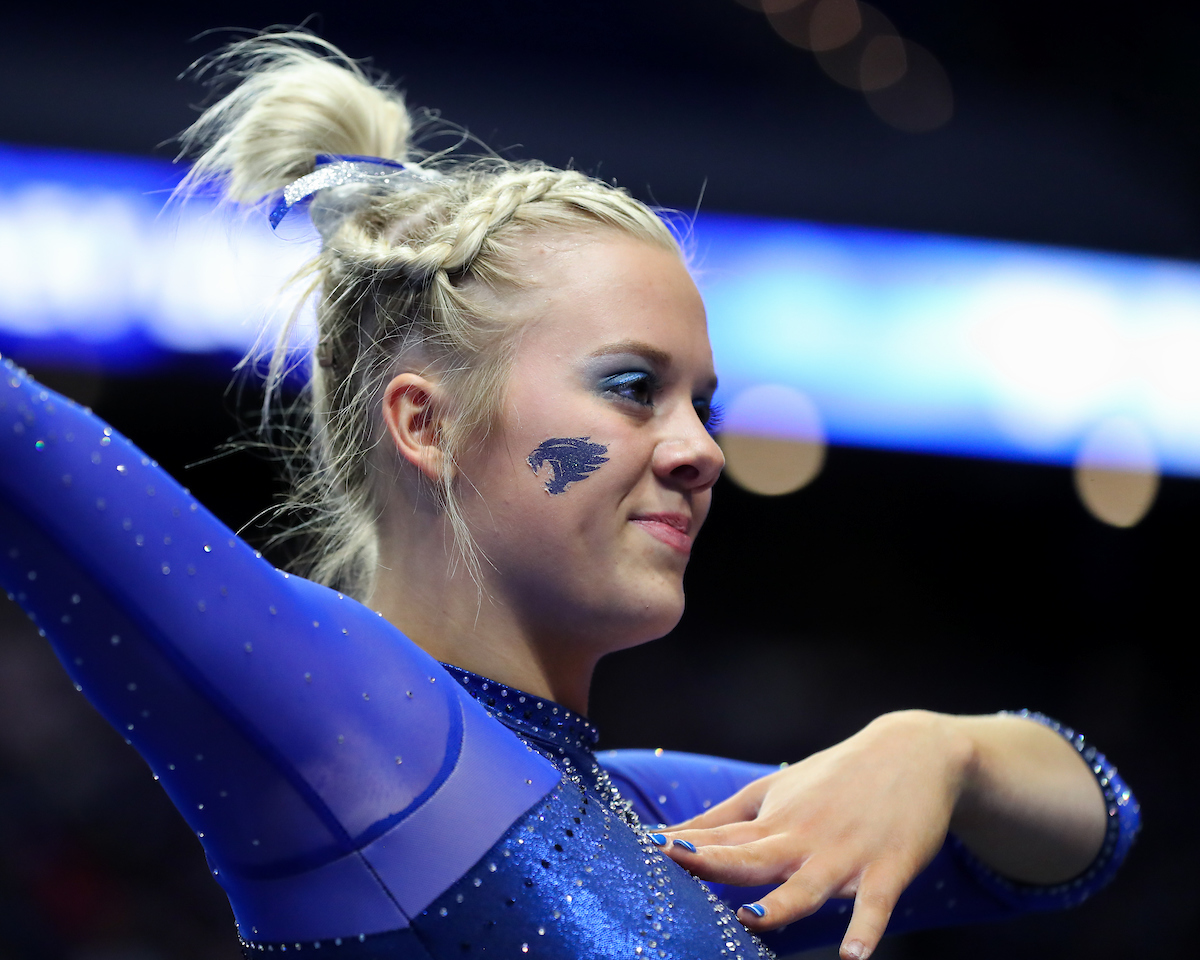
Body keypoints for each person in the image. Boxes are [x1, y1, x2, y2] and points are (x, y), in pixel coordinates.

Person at [0, 32, 1138, 960]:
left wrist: (943, 753)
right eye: (634, 390)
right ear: (425, 424)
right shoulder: (351, 727)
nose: (700, 451)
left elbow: (1089, 836)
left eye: (705, 403)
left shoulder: (664, 824)